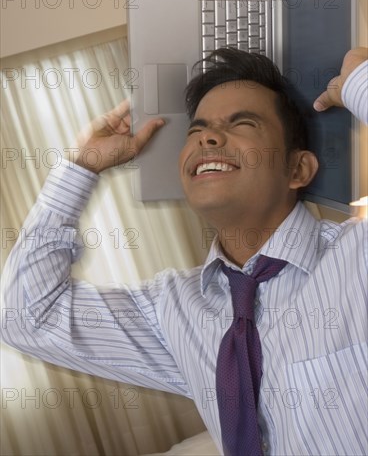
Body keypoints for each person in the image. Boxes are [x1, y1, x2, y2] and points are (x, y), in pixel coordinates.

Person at [1, 47, 367, 456]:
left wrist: (361, 82)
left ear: (298, 170)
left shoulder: (358, 257)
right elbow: (27, 316)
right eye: (197, 130)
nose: (207, 138)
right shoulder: (173, 309)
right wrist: (80, 167)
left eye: (243, 123)